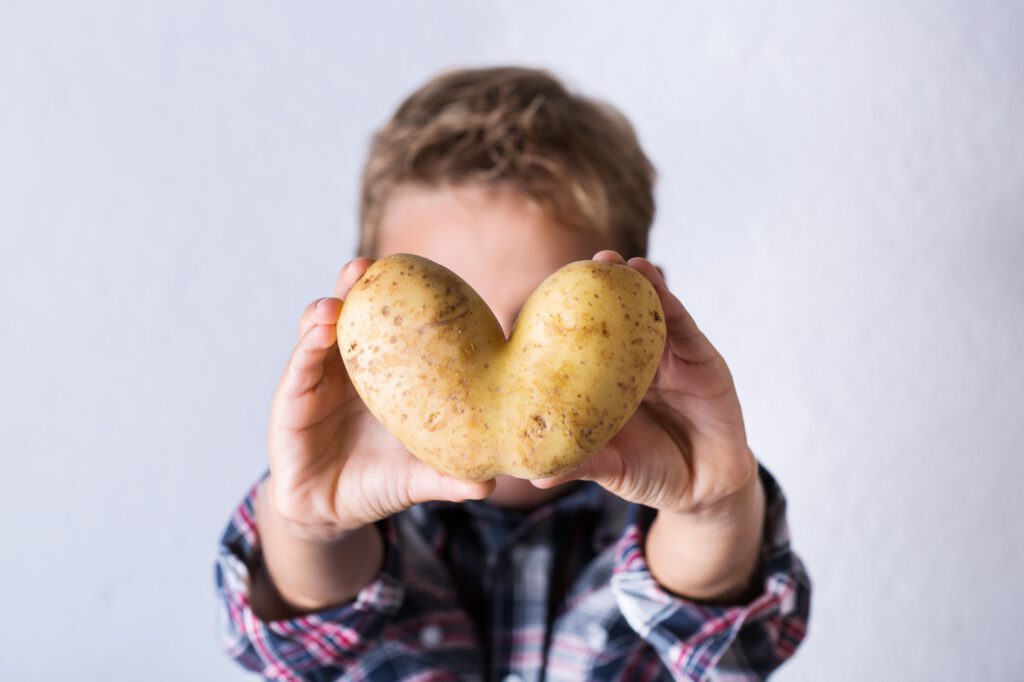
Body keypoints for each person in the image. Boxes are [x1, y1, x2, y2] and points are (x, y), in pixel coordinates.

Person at [214, 66, 811, 681]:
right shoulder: (364, 504)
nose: (497, 359)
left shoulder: (659, 499)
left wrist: (711, 513)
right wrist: (310, 532)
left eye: (543, 323)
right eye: (445, 322)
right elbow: (303, 644)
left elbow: (726, 644)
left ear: (645, 314)